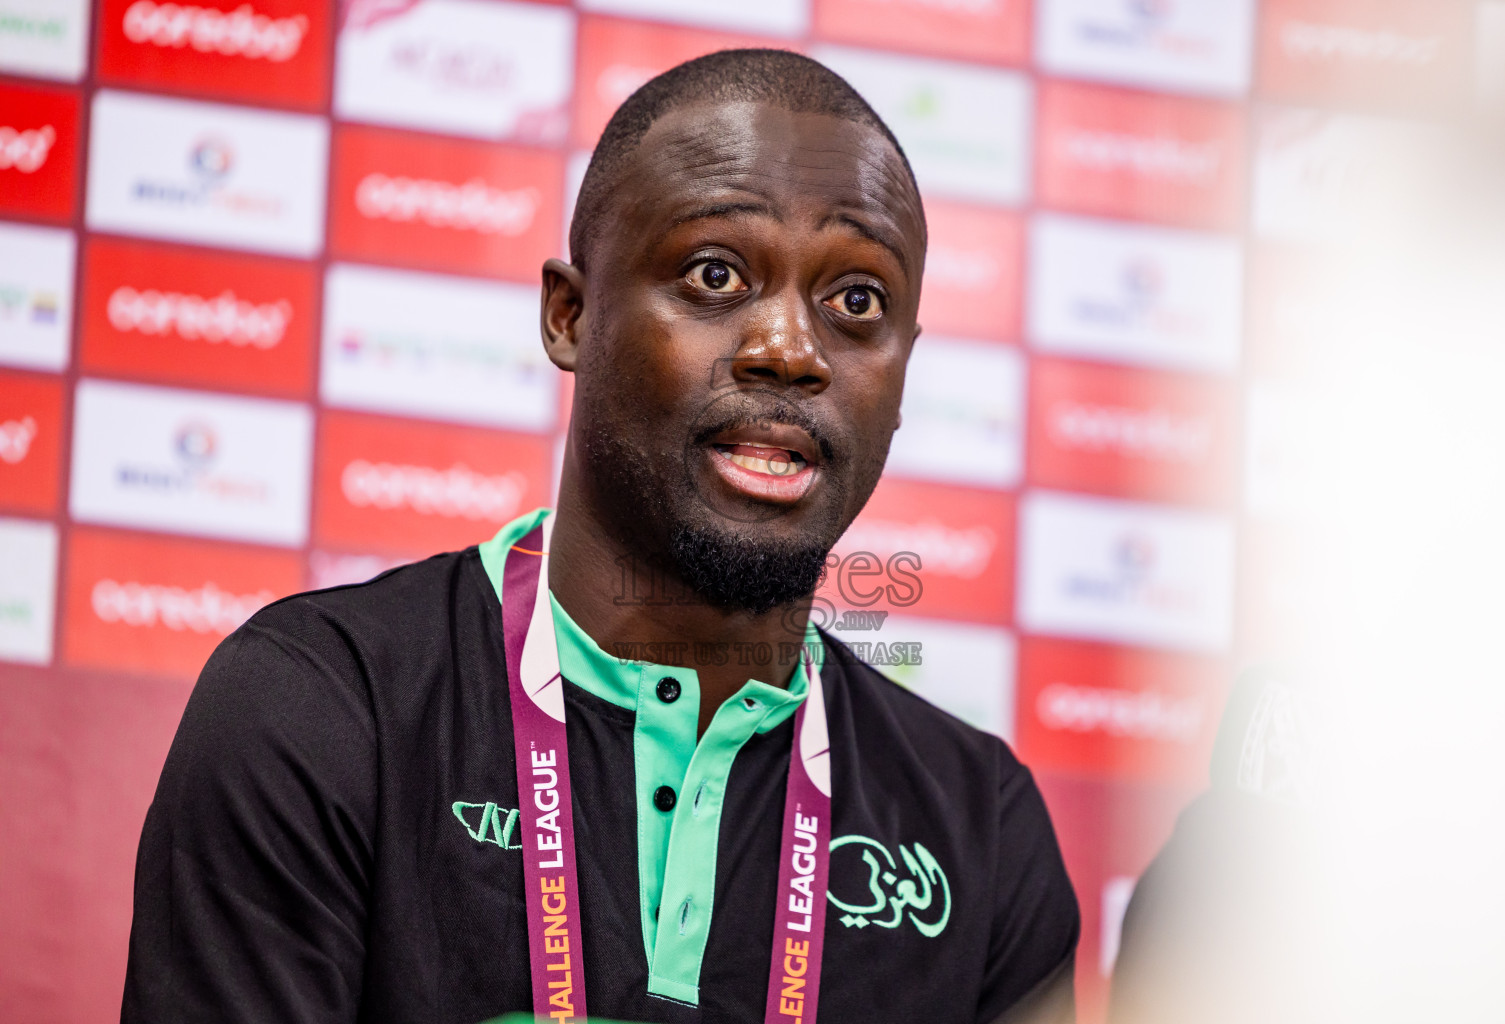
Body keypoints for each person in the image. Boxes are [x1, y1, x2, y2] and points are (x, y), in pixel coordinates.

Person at [121, 49, 1079, 1024]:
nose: (791, 349)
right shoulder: (323, 705)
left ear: (903, 368)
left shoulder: (981, 829)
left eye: (857, 301)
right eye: (716, 273)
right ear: (570, 316)